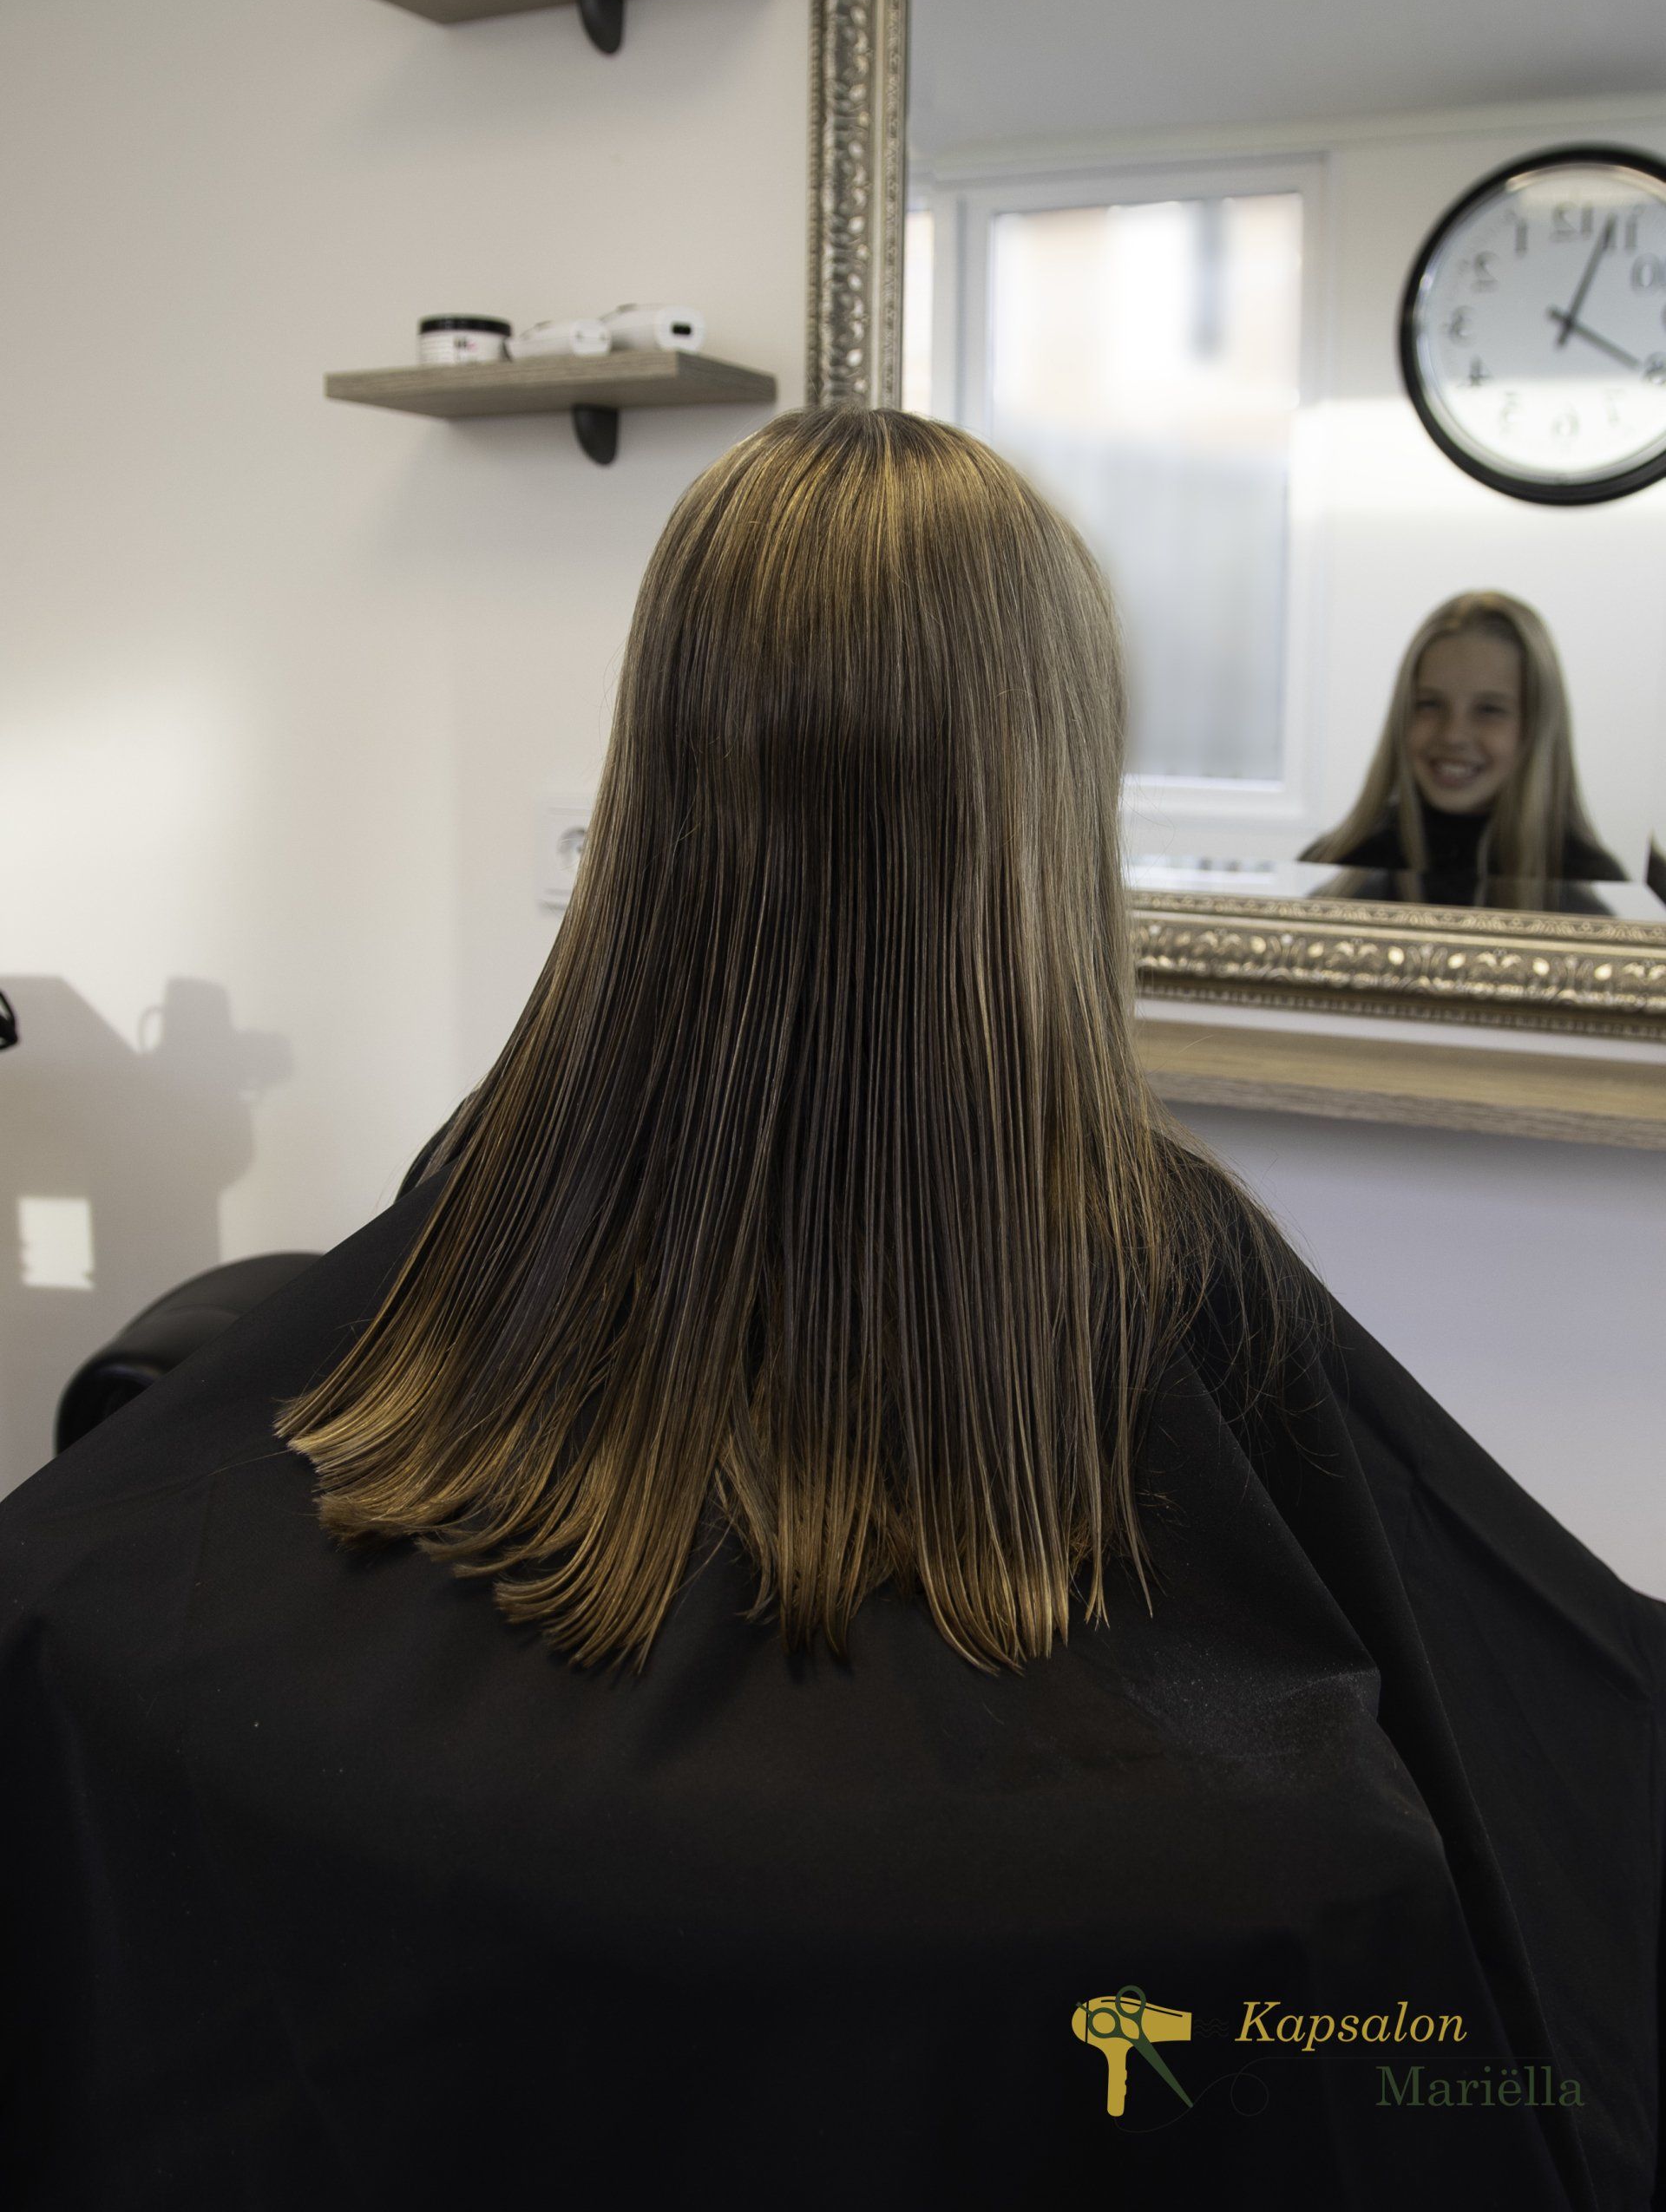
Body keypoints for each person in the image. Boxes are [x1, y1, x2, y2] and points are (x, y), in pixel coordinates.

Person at [0, 411, 1660, 2212]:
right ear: (1046, 791)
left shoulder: (493, 1189)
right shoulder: (1174, 1268)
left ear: (658, 763)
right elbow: (1539, 1758)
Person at [1301, 592, 1625, 896]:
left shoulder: (1592, 885)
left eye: (1489, 709)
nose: (1453, 735)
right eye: (1429, 704)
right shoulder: (1334, 868)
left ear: (1537, 726)